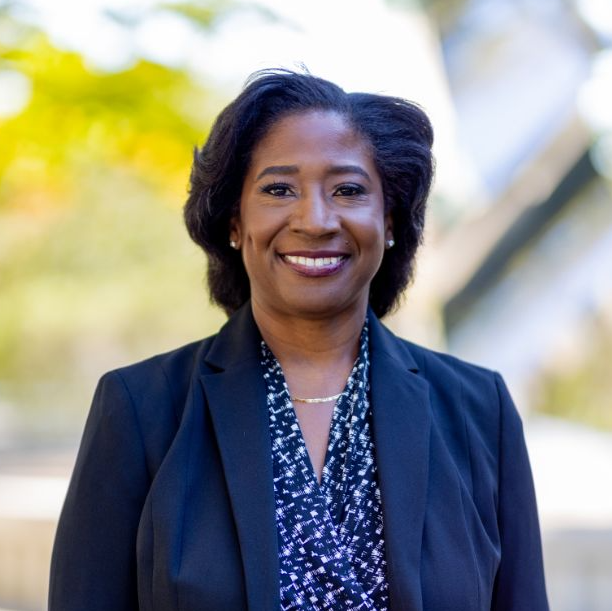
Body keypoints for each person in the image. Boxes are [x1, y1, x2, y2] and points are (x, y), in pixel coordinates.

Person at [49, 70, 550, 611]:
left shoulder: (480, 410)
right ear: (235, 221)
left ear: (389, 220)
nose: (315, 219)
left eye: (348, 190)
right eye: (279, 189)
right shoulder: (141, 409)